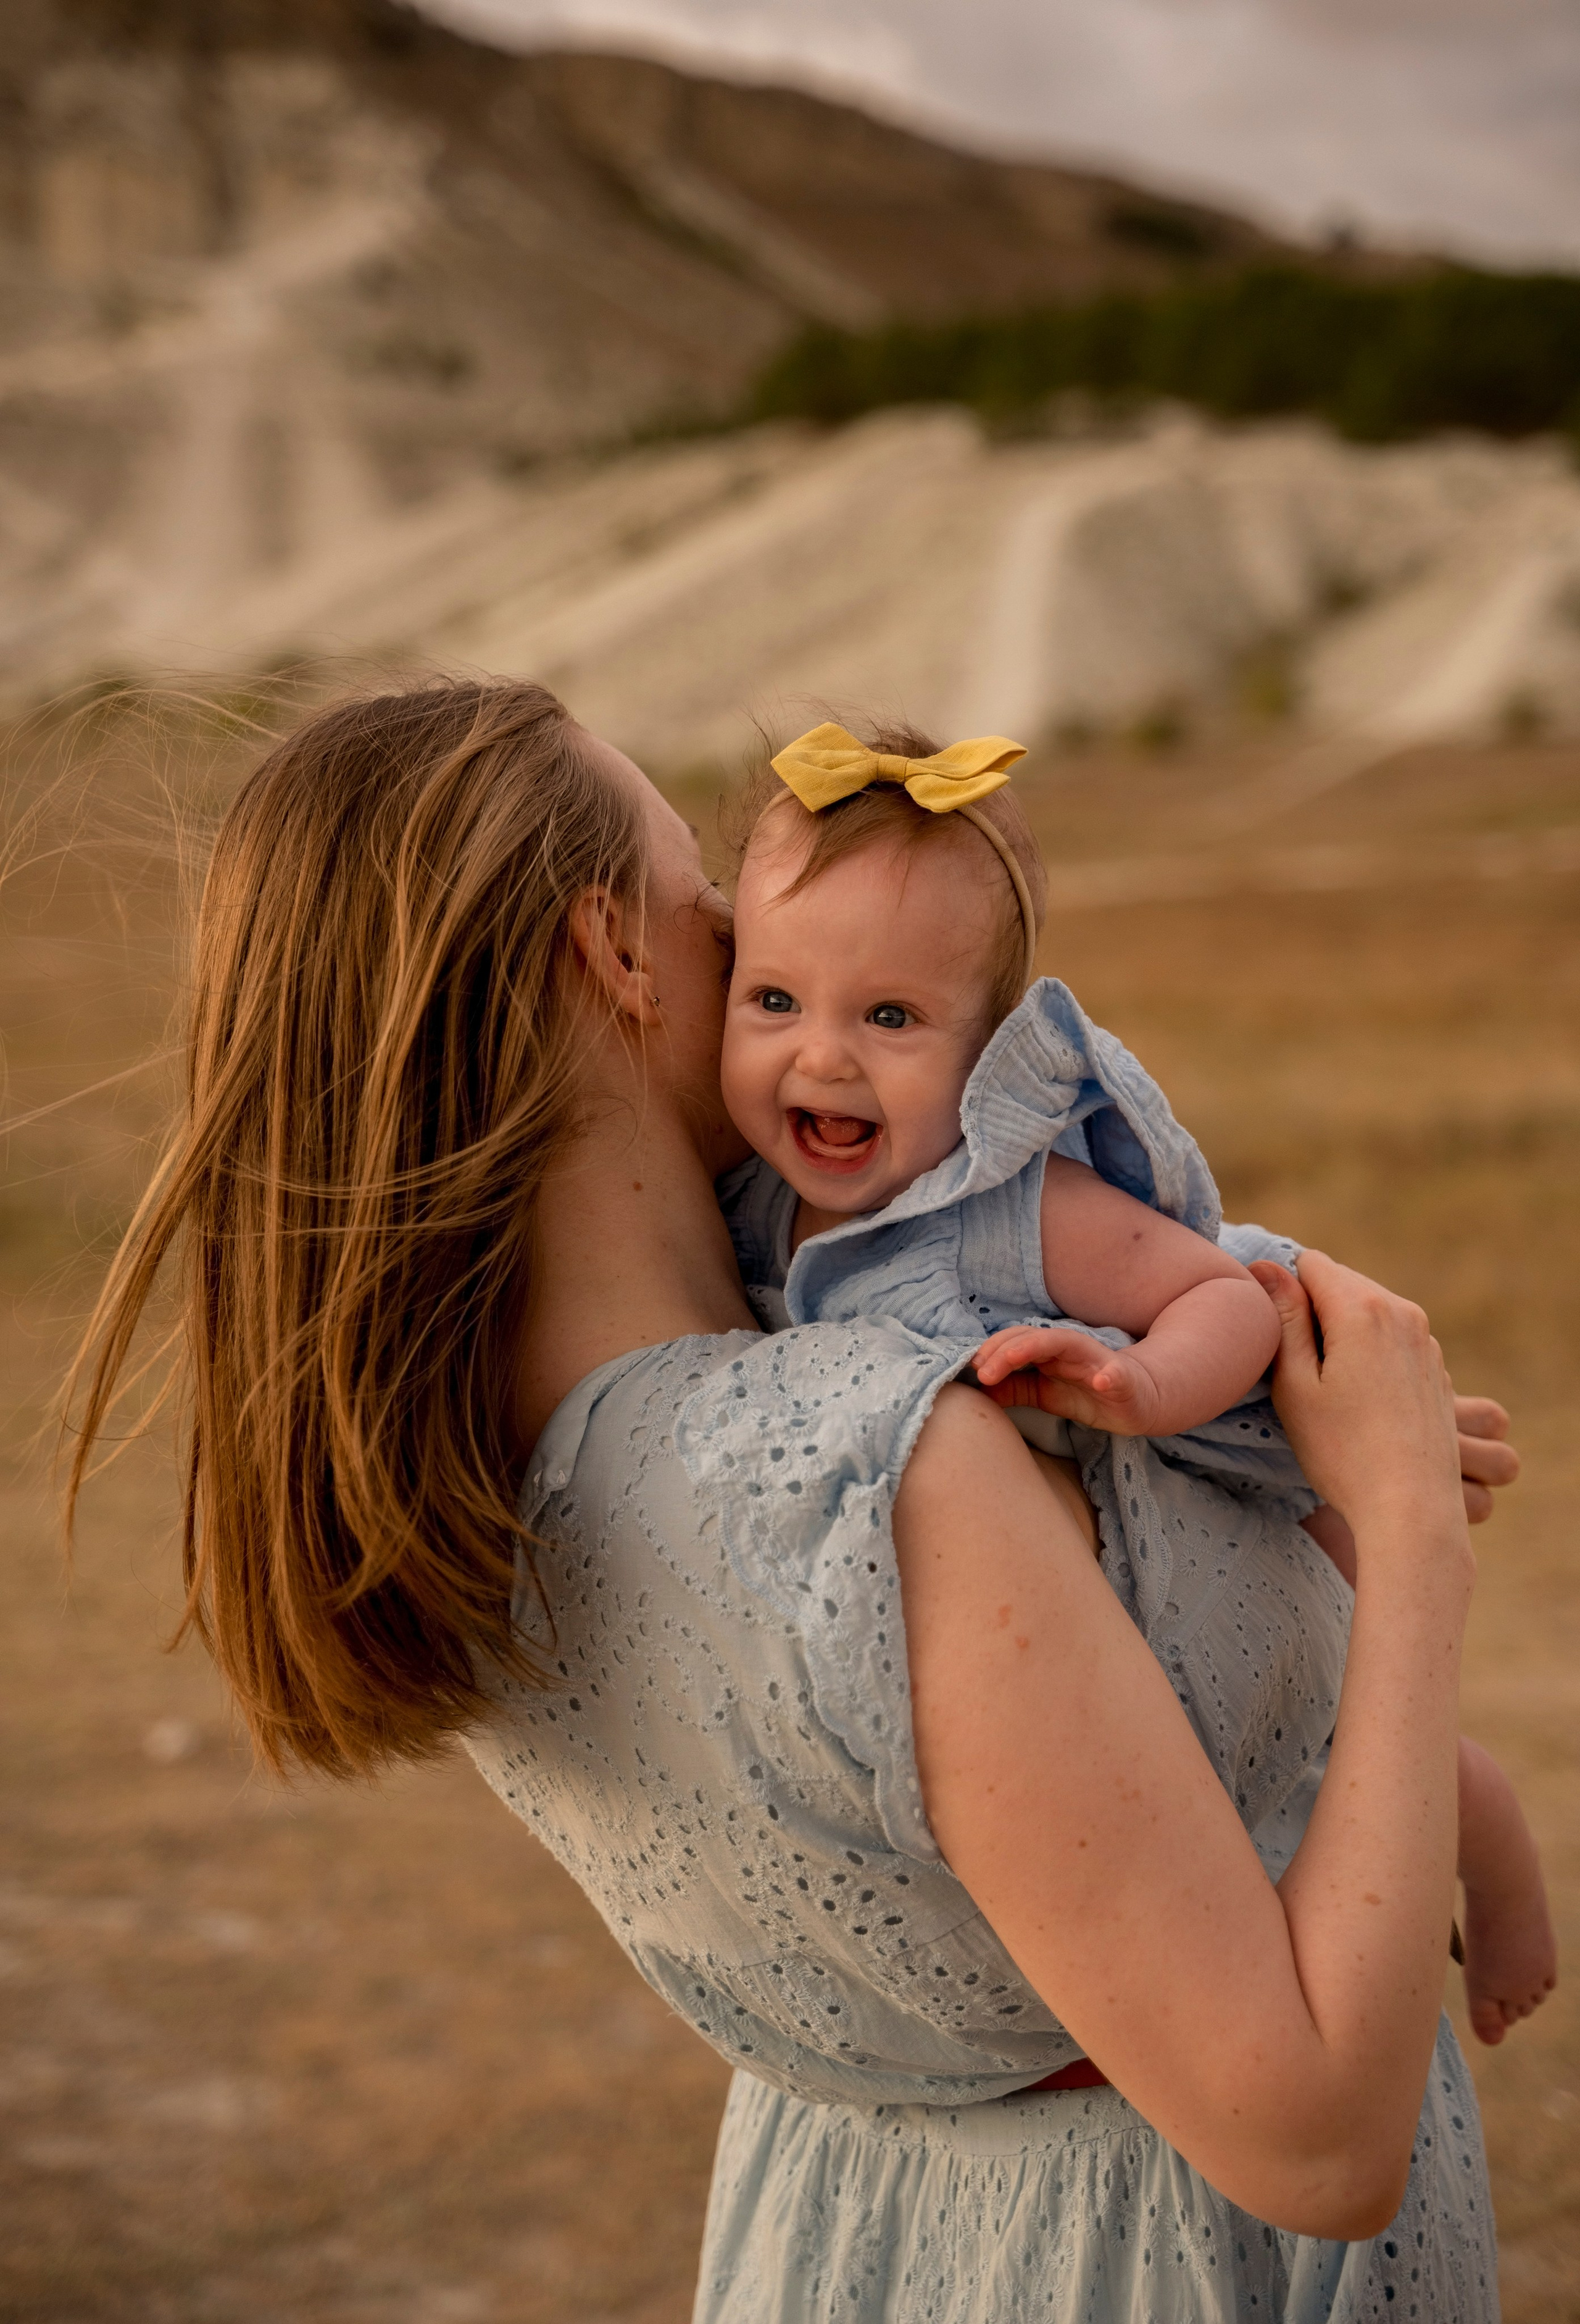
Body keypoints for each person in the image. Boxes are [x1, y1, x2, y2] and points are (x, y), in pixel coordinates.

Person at [66, 680, 1516, 2319]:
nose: (736, 923)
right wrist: (1406, 1542)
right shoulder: (885, 1467)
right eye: (697, 892)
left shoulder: (477, 1482)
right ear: (610, 952)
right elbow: (1318, 2135)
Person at [720, 714, 1555, 2053]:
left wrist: (1136, 1382)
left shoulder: (1009, 1205)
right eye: (773, 1001)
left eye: (887, 1016)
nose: (820, 1056)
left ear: (988, 1050)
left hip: (1215, 1476)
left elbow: (1219, 1296)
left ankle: (1489, 1839)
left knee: (1322, 1725)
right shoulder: (760, 1210)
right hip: (1086, 1566)